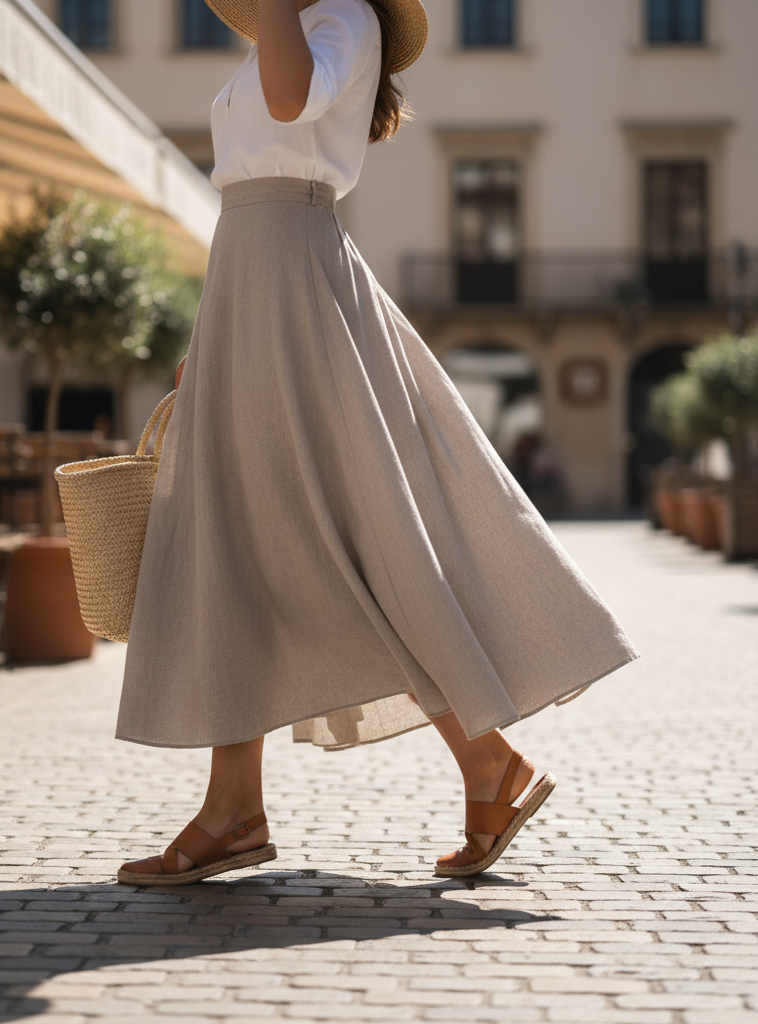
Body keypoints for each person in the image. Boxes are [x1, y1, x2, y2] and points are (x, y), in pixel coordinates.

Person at [116, 0, 639, 884]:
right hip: (250, 274)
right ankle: (238, 806)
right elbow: (252, 167)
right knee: (236, 542)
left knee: (342, 542)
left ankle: (480, 761)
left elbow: (288, 113)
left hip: (292, 272)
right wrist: (212, 340)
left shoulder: (347, 19)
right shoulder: (298, 27)